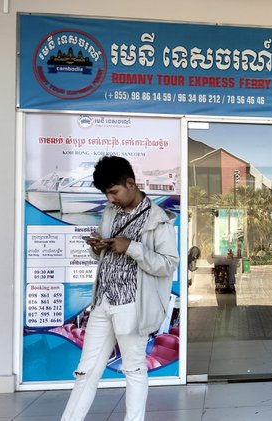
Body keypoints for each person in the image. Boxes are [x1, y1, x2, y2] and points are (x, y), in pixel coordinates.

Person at [61, 156, 179, 421]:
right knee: (85, 371)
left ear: (131, 183)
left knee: (134, 370)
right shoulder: (110, 212)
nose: (110, 199)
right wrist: (97, 248)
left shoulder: (157, 219)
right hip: (103, 302)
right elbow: (105, 258)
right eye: (106, 194)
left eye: (114, 192)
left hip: (132, 306)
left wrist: (132, 248)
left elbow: (168, 265)